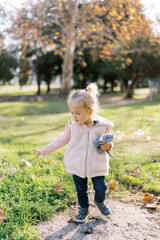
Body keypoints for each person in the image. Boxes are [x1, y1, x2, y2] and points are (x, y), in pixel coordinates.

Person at [33, 83, 114, 223]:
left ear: (90, 111)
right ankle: (84, 209)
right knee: (81, 190)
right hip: (77, 163)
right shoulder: (73, 127)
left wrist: (109, 146)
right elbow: (60, 140)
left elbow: (108, 142)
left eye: (78, 113)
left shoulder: (102, 127)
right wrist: (44, 150)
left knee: (101, 187)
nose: (74, 117)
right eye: (72, 113)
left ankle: (100, 202)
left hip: (97, 164)